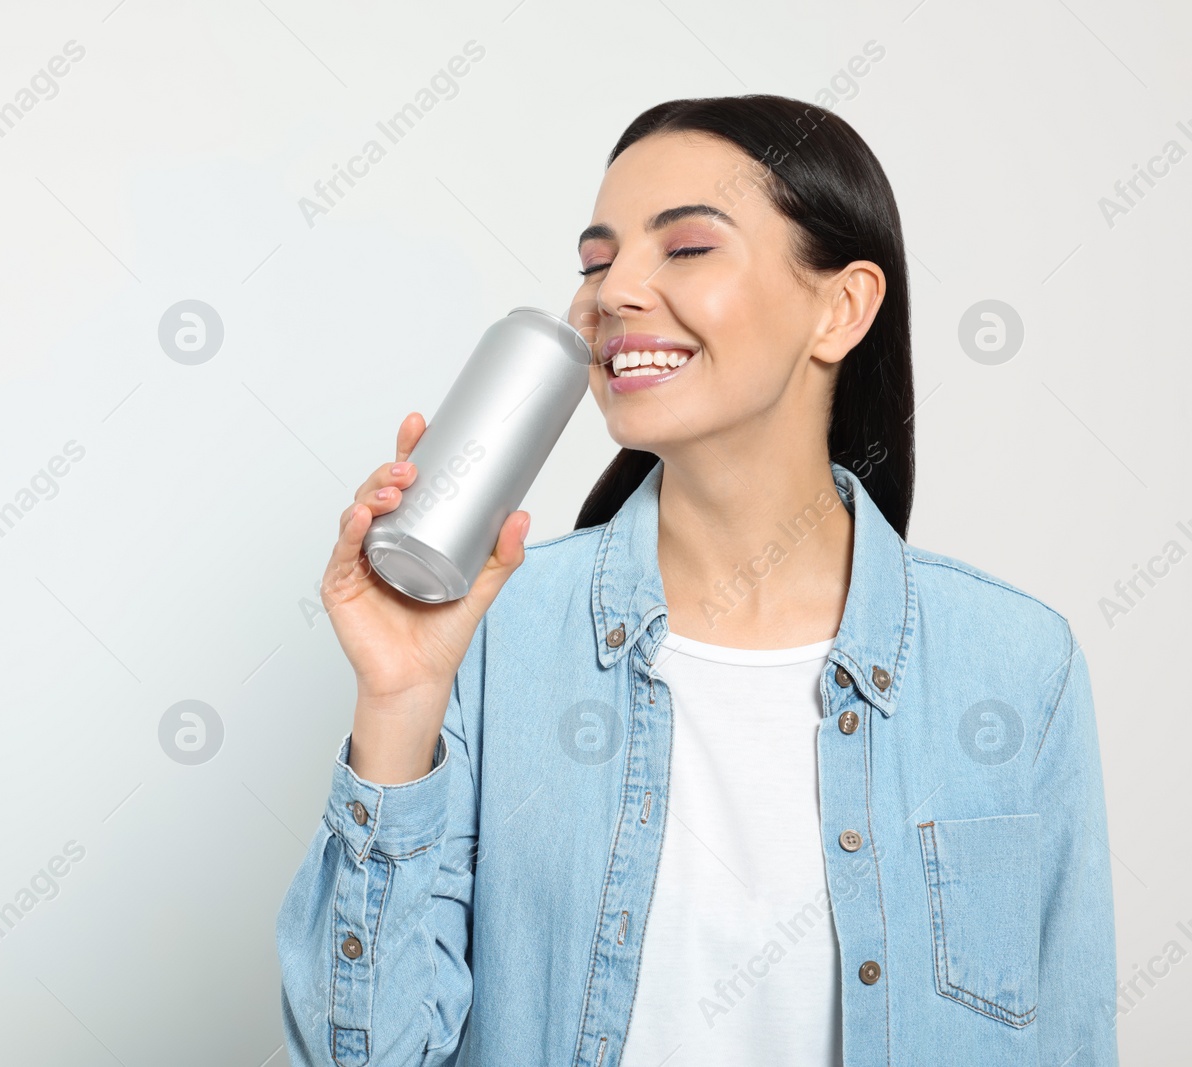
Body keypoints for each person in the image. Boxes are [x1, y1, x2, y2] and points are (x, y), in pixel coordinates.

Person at [275, 94, 1118, 1066]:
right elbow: (363, 1056)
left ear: (840, 307)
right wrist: (398, 697)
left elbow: (1070, 1037)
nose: (611, 293)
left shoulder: (1013, 663)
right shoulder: (494, 631)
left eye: (683, 249)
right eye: (596, 261)